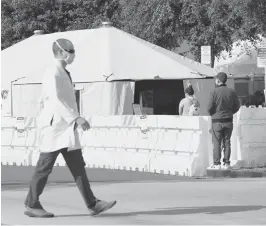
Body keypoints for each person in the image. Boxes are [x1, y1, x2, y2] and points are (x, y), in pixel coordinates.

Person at [24, 38, 116, 218]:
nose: (73, 54)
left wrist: (74, 119)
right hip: (54, 127)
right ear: (61, 52)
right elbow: (55, 100)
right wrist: (77, 117)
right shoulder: (53, 71)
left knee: (78, 167)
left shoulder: (63, 71)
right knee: (45, 167)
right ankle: (32, 204)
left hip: (66, 127)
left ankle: (93, 204)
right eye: (71, 50)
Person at [207, 72, 240, 170]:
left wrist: (213, 113)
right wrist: (230, 112)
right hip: (229, 120)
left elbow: (209, 108)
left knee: (216, 142)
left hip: (217, 121)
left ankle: (217, 164)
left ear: (218, 80)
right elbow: (237, 106)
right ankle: (226, 163)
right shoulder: (232, 92)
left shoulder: (214, 92)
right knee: (227, 142)